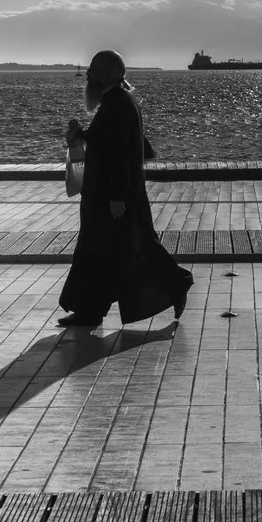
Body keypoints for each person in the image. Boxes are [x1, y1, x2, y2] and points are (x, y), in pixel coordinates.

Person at [58, 50, 193, 327]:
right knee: (107, 252)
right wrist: (82, 135)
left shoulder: (117, 104)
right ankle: (90, 310)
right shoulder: (117, 101)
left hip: (112, 197)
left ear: (104, 76)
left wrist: (117, 195)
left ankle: (176, 282)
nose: (87, 75)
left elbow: (120, 153)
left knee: (130, 248)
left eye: (92, 70)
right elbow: (116, 143)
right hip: (106, 196)